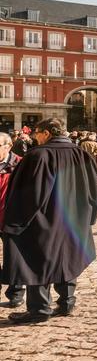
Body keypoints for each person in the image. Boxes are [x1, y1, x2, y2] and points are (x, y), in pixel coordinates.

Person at [2, 118, 97, 323]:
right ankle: (66, 302)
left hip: (42, 220)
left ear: (46, 133)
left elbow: (29, 194)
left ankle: (39, 309)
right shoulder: (82, 154)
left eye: (37, 133)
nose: (34, 137)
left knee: (37, 261)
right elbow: (94, 190)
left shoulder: (38, 155)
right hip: (75, 218)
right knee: (68, 257)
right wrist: (91, 216)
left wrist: (15, 222)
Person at [0, 132, 25, 310]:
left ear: (8, 146)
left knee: (14, 258)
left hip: (12, 218)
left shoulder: (20, 164)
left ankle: (16, 294)